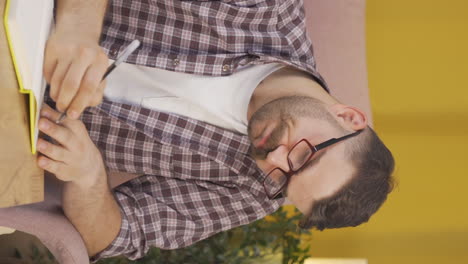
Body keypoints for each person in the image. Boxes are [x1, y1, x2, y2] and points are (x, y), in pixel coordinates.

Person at [38, 0, 395, 261]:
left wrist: (87, 176)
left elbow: (119, 234)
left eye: (284, 180)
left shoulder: (254, 192)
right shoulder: (265, 10)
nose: (273, 159)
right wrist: (77, 30)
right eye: (303, 155)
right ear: (348, 116)